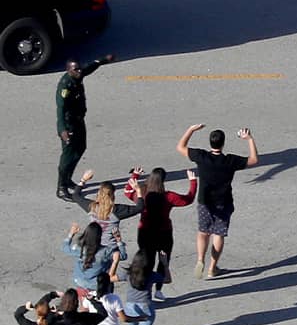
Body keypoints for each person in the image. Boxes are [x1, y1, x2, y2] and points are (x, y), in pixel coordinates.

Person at [177, 124, 259, 279]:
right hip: (223, 202)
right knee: (218, 235)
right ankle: (212, 268)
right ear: (223, 143)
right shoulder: (230, 161)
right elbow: (254, 159)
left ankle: (200, 259)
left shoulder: (201, 157)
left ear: (210, 143)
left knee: (203, 232)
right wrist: (249, 139)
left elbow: (181, 146)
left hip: (204, 201)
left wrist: (191, 130)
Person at [122, 167, 197, 301]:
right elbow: (188, 199)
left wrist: (135, 175)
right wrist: (193, 182)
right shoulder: (169, 197)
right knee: (163, 260)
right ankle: (158, 290)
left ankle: (145, 288)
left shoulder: (143, 193)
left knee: (146, 261)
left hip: (145, 232)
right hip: (164, 233)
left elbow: (128, 191)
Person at [55, 54, 116, 200]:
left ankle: (68, 178)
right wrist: (63, 130)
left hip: (78, 121)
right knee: (68, 157)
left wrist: (103, 60)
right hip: (69, 125)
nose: (79, 71)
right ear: (68, 71)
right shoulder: (65, 86)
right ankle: (61, 187)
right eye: (76, 70)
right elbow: (60, 110)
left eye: (79, 69)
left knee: (80, 148)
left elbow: (88, 68)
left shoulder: (78, 76)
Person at [71, 170, 141, 264]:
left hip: (92, 244)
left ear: (99, 193)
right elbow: (140, 207)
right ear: (112, 195)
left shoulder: (92, 207)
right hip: (109, 248)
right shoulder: (117, 210)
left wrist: (83, 180)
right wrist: (138, 190)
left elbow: (75, 196)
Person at [62, 222, 121, 293]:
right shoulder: (105, 251)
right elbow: (122, 255)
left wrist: (71, 234)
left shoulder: (79, 248)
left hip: (79, 283)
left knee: (82, 303)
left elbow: (65, 248)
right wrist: (119, 241)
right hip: (96, 287)